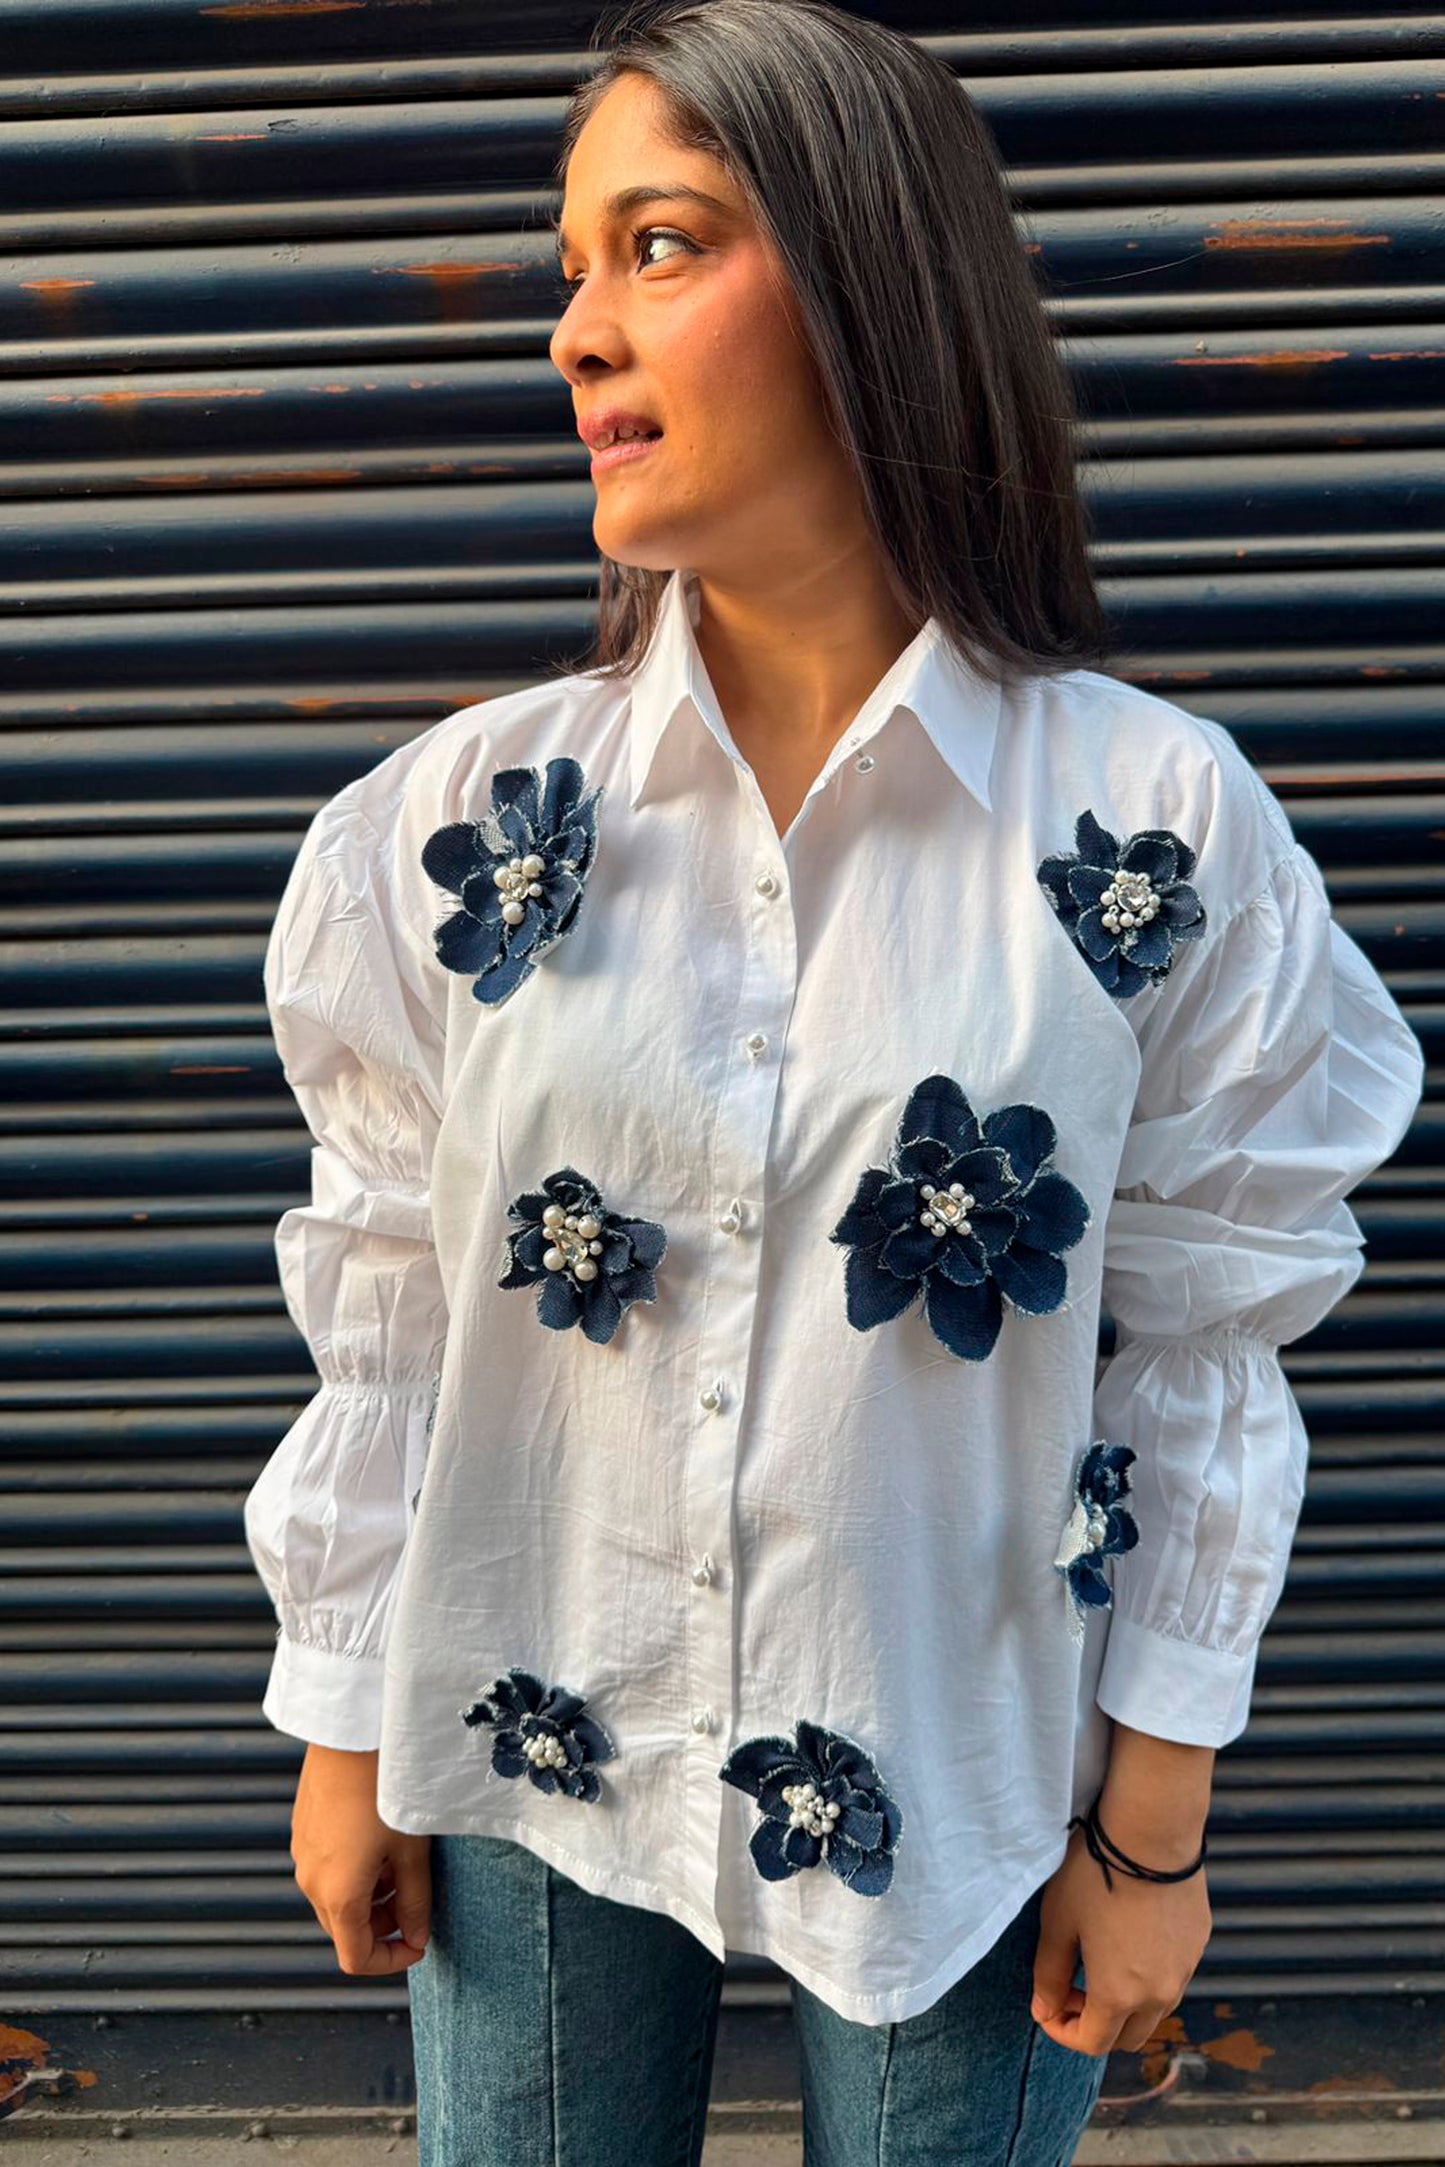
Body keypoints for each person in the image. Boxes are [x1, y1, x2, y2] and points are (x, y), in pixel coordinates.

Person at [242, 3, 1426, 2161]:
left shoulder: (1152, 835)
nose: (578, 334)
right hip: (534, 1729)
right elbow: (391, 1303)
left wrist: (1154, 1825)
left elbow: (1209, 1337)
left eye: (662, 245)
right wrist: (339, 1720)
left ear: (875, 277)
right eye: (571, 266)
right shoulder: (452, 837)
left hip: (962, 1765)